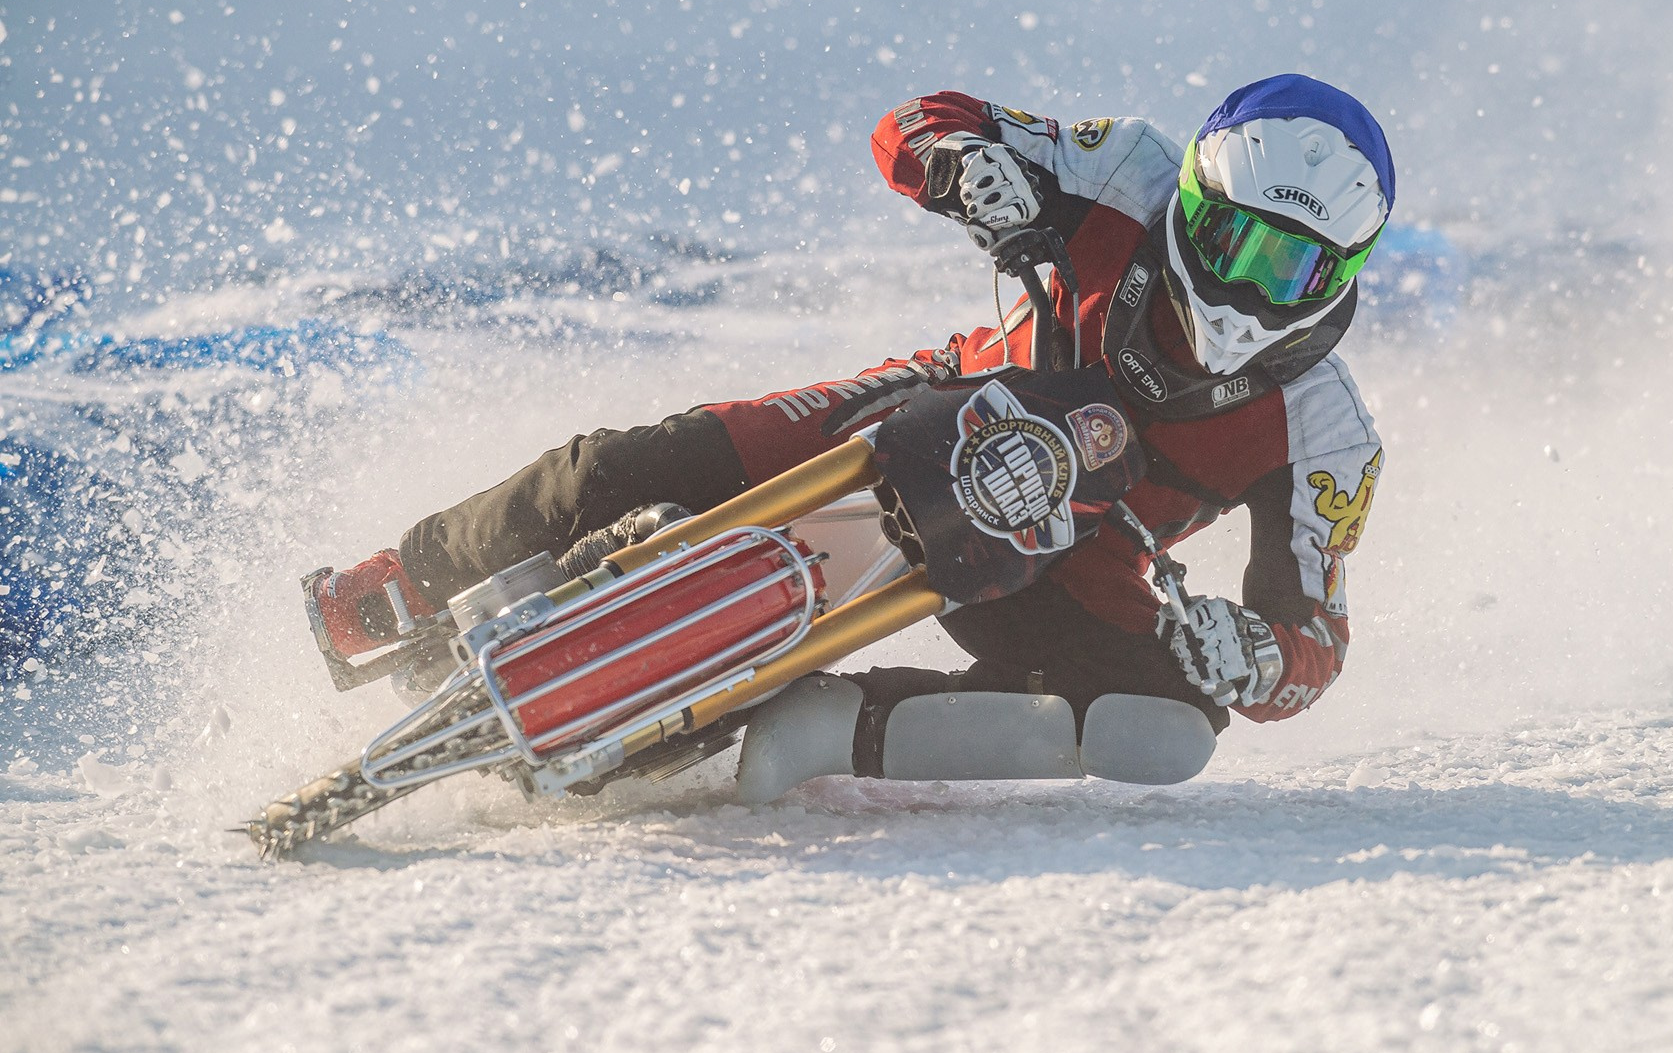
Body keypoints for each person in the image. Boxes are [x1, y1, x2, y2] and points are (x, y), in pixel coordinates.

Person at [309, 73, 1390, 801]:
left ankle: (832, 728)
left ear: (1338, 276)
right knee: (632, 463)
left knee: (1172, 728)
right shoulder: (1126, 171)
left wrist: (1254, 659)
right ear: (1190, 198)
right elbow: (919, 119)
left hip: (1080, 556)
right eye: (1227, 236)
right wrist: (964, 168)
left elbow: (1314, 639)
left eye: (1287, 267)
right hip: (941, 401)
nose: (1246, 284)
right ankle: (402, 580)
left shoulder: (1327, 434)